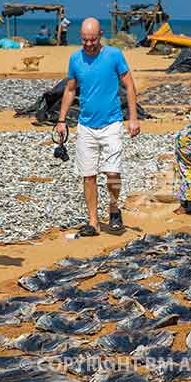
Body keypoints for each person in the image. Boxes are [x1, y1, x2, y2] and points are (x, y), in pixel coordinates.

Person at [55, 18, 140, 237]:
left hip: (112, 122)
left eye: (93, 40)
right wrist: (62, 120)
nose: (89, 44)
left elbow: (129, 85)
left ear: (100, 35)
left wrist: (133, 118)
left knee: (112, 172)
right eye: (84, 40)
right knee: (88, 175)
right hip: (86, 126)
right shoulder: (75, 59)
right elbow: (70, 90)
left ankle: (113, 208)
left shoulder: (114, 55)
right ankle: (93, 221)